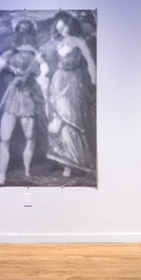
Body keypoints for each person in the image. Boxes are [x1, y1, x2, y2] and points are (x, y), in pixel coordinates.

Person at [0, 19, 49, 185]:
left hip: (29, 95)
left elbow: (45, 72)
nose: (24, 34)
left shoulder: (37, 54)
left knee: (30, 136)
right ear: (17, 33)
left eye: (27, 31)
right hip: (12, 96)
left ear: (31, 33)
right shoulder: (9, 53)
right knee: (5, 137)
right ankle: (2, 175)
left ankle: (27, 172)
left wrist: (34, 77)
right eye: (21, 31)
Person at [44, 11, 97, 178]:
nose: (58, 27)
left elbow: (90, 62)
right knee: (58, 118)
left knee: (71, 118)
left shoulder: (79, 41)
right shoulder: (59, 42)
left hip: (72, 83)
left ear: (69, 24)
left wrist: (94, 82)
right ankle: (64, 161)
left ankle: (73, 162)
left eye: (62, 24)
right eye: (57, 24)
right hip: (58, 81)